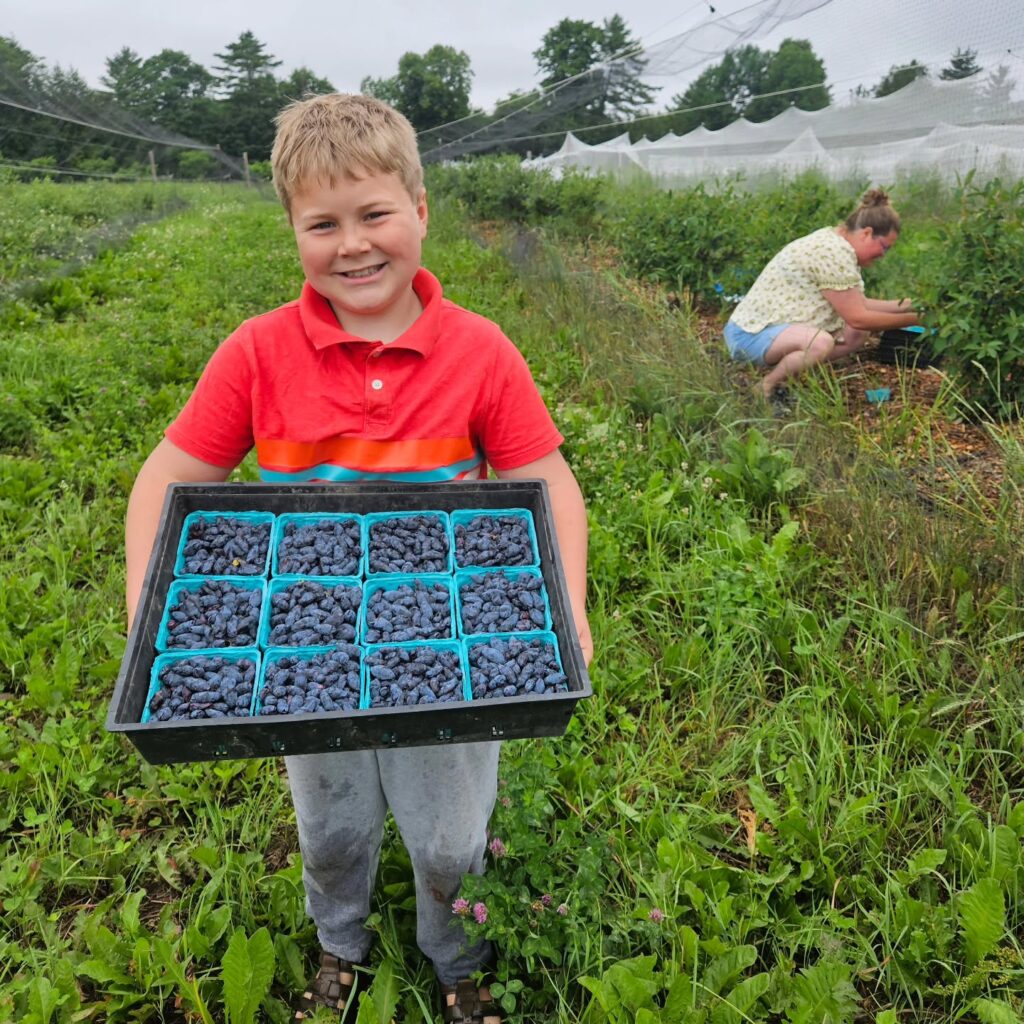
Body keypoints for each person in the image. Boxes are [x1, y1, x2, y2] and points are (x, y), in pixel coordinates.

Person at [124, 93, 593, 1024]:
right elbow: (168, 479)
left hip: (446, 655)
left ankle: (455, 952)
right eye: (322, 224)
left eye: (375, 213)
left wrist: (566, 607)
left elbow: (549, 482)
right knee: (330, 823)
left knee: (451, 836)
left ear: (420, 209)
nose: (354, 244)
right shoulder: (257, 353)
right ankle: (339, 939)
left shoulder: (481, 353)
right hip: (311, 651)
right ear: (293, 231)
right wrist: (151, 606)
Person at [723, 187, 921, 399]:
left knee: (855, 334)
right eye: (884, 247)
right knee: (821, 343)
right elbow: (859, 317)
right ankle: (765, 388)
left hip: (770, 331)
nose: (883, 255)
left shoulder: (839, 246)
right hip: (749, 335)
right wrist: (917, 318)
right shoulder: (831, 252)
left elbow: (860, 304)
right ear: (867, 233)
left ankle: (793, 372)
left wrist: (915, 304)